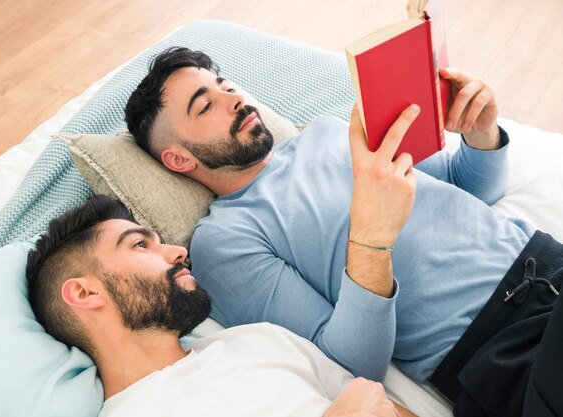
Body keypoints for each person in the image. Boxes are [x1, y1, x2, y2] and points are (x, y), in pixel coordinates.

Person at [123, 47, 563, 417]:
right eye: (205, 105)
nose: (232, 98)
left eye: (224, 84)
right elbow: (347, 363)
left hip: (547, 263)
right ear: (179, 159)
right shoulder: (226, 239)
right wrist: (372, 238)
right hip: (498, 348)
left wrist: (482, 130)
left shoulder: (333, 131)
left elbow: (471, 189)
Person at [25, 194, 415, 417]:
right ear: (85, 293)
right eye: (140, 245)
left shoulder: (260, 339)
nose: (178, 251)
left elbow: (380, 406)